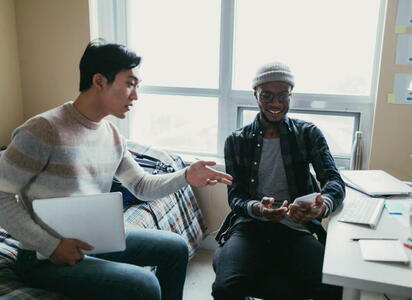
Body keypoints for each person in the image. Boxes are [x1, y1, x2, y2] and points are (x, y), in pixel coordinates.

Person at [0, 40, 232, 300]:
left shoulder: (111, 134)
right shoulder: (43, 130)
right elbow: (2, 195)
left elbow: (142, 186)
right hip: (43, 256)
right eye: (130, 83)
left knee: (175, 247)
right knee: (143, 284)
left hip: (92, 237)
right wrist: (50, 245)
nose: (135, 95)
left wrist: (186, 176)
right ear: (99, 81)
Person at [211, 62, 345, 300]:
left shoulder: (308, 134)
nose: (275, 104)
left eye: (283, 96)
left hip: (294, 229)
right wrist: (257, 208)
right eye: (267, 96)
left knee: (333, 285)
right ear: (255, 95)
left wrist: (321, 205)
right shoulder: (236, 141)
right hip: (250, 227)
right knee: (225, 288)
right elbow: (236, 196)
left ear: (290, 95)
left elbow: (333, 180)